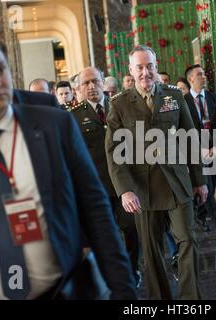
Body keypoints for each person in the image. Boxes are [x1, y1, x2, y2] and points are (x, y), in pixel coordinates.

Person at [0, 32, 136, 300]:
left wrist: (125, 293)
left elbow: (97, 212)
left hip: (62, 290)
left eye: (0, 70)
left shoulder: (54, 126)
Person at [105, 45, 208, 300]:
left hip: (177, 183)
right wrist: (125, 190)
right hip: (142, 189)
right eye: (139, 67)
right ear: (130, 70)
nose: (145, 72)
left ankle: (190, 299)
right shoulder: (119, 104)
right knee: (151, 252)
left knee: (188, 241)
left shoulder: (174, 95)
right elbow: (114, 152)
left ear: (155, 65)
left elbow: (189, 138)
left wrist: (199, 181)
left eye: (149, 66)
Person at [69, 66, 141, 288]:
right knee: (102, 234)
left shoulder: (119, 107)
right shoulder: (74, 116)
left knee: (131, 228)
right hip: (96, 188)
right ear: (79, 88)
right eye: (86, 83)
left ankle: (131, 270)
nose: (91, 87)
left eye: (95, 81)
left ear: (103, 82)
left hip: (123, 185)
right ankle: (110, 275)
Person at [184, 64, 216, 231]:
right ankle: (205, 217)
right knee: (204, 184)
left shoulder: (213, 98)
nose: (204, 76)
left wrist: (215, 146)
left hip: (215, 148)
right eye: (199, 74)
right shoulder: (184, 102)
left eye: (204, 74)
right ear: (191, 79)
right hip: (196, 150)